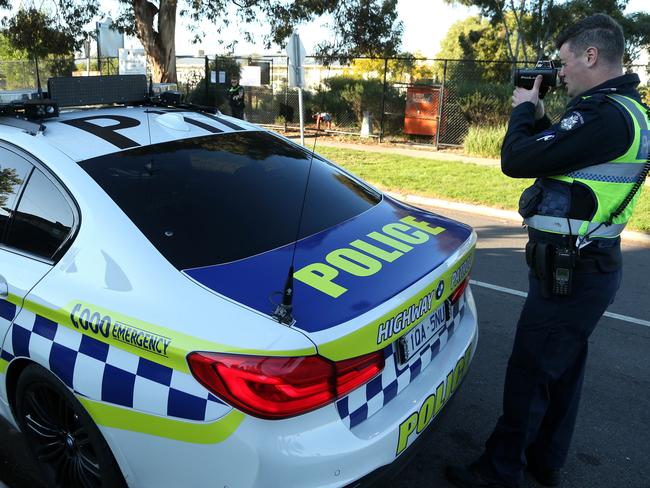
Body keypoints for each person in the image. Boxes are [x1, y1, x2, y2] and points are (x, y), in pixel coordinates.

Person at [446, 13, 649, 488]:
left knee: (531, 369)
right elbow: (567, 153)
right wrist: (543, 119)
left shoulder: (602, 113)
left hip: (571, 269)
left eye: (564, 62)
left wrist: (522, 109)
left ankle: (499, 472)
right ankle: (545, 459)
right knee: (562, 368)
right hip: (589, 264)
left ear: (591, 55)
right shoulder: (625, 109)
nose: (560, 73)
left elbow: (517, 159)